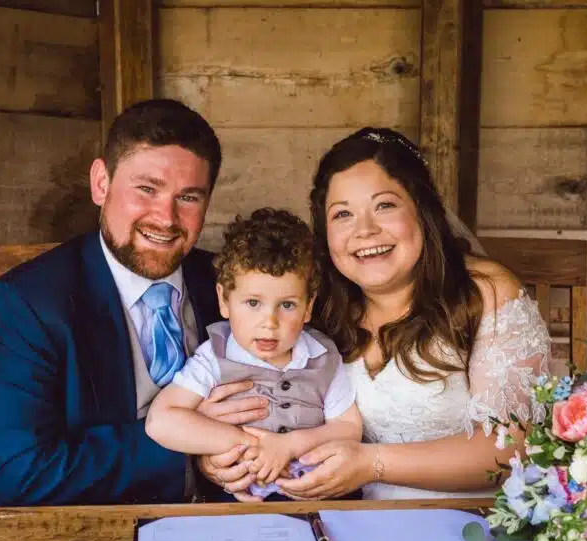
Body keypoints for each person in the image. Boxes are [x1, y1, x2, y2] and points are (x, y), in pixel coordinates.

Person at [200, 127, 552, 500]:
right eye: (343, 215)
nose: (365, 231)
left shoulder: (486, 294)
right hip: (350, 526)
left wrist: (372, 464)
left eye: (384, 206)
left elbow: (511, 448)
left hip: (473, 528)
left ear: (421, 210)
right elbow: (266, 405)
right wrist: (217, 456)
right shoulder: (315, 307)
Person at [0, 98, 269, 507]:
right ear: (101, 183)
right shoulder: (23, 305)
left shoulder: (228, 282)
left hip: (230, 522)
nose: (165, 217)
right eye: (147, 189)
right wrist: (189, 445)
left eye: (189, 197)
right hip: (81, 538)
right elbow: (20, 473)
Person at [145, 208, 362, 500]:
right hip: (241, 502)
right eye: (252, 303)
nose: (269, 323)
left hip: (320, 497)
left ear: (309, 306)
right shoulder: (214, 357)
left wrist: (290, 445)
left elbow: (348, 427)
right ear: (224, 300)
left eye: (287, 305)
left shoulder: (322, 355)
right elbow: (161, 420)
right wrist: (244, 442)